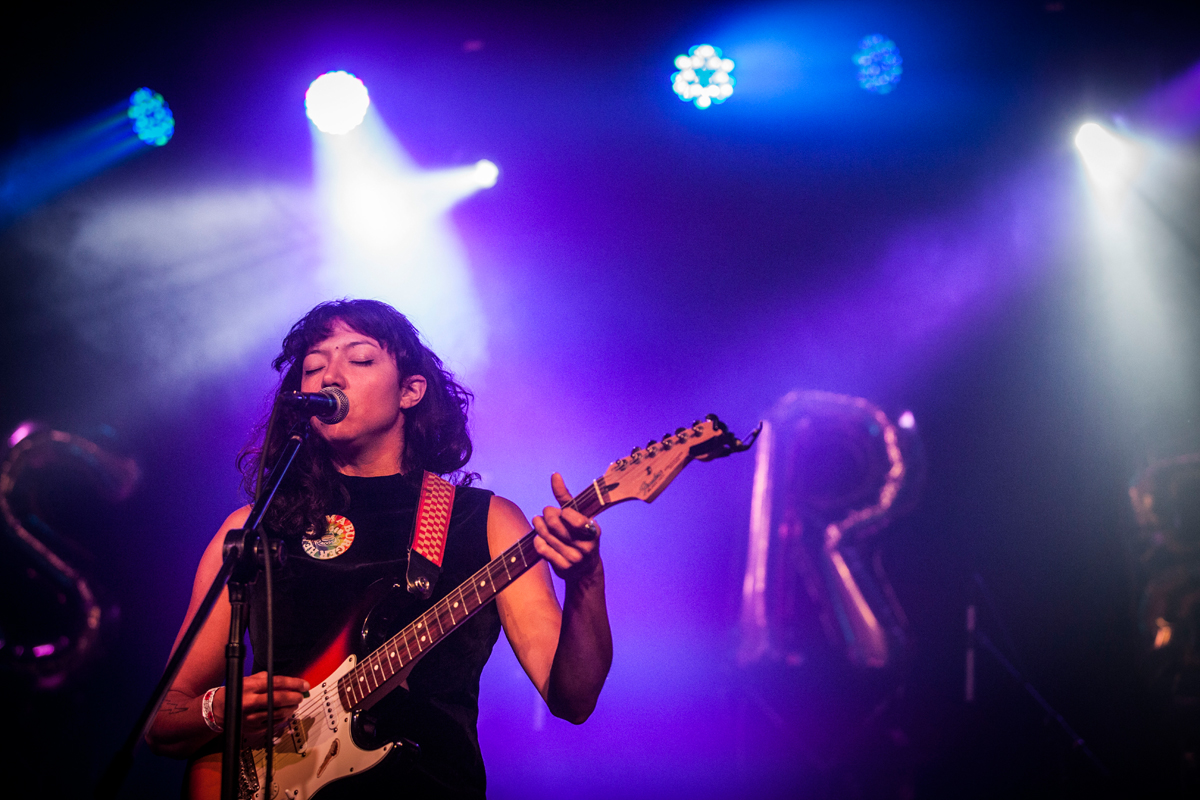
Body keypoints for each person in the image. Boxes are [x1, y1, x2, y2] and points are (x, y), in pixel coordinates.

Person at [146, 299, 613, 798]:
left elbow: (574, 699)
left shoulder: (486, 521)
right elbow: (162, 721)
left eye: (360, 358)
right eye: (313, 367)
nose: (330, 376)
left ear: (410, 391)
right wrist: (218, 710)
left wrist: (586, 580)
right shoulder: (252, 529)